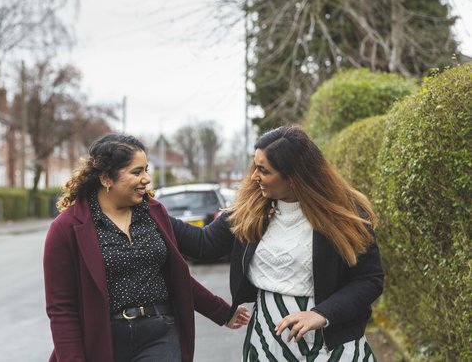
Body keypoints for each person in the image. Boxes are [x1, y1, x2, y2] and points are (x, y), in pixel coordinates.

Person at [171, 125, 384, 361]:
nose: (254, 176)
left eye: (263, 170)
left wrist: (321, 314)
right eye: (255, 166)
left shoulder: (343, 213)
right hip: (268, 339)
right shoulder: (251, 209)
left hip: (333, 343)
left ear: (293, 177)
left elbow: (369, 279)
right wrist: (150, 209)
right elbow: (204, 244)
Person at [43, 133, 249, 362]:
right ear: (106, 178)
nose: (147, 178)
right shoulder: (67, 228)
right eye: (137, 172)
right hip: (103, 340)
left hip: (159, 333)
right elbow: (62, 309)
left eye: (146, 170)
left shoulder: (154, 213)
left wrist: (247, 205)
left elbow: (189, 261)